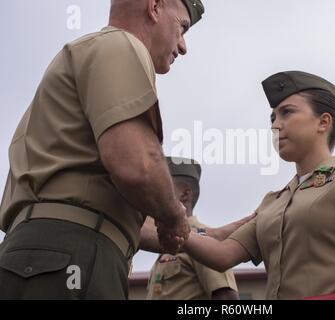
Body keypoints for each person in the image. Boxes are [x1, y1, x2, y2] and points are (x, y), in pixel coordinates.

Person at [0, 0, 204, 299]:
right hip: (74, 254)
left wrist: (211, 234)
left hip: (35, 254)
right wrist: (173, 215)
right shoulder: (121, 46)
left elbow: (92, 200)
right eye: (183, 27)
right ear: (155, 6)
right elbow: (138, 166)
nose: (183, 46)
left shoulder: (83, 55)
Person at [166, 70, 335, 300]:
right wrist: (171, 220)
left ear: (323, 122)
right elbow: (223, 254)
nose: (275, 125)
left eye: (287, 112)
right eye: (272, 117)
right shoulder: (273, 202)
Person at [146, 157, 239, 300]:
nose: (156, 194)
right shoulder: (164, 237)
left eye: (164, 188)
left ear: (185, 194)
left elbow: (226, 298)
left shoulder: (205, 240)